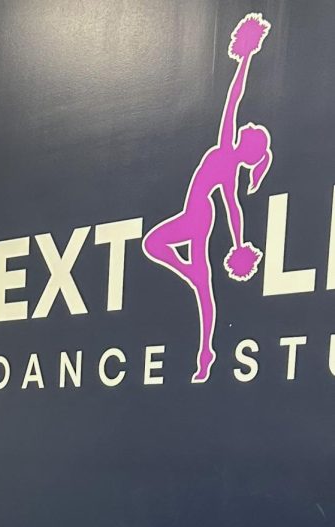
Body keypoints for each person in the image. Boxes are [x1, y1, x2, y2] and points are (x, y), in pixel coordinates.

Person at [142, 13, 272, 383]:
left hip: (198, 218)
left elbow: (234, 99)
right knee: (198, 283)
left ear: (247, 146)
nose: (245, 126)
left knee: (165, 254)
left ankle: (205, 354)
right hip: (197, 215)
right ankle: (206, 352)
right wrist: (245, 58)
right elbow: (234, 98)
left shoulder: (228, 157)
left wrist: (240, 244)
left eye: (251, 132)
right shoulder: (227, 159)